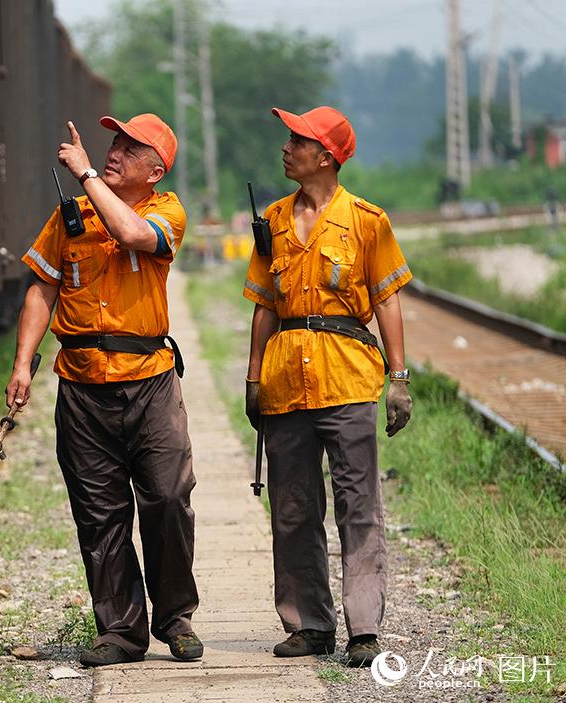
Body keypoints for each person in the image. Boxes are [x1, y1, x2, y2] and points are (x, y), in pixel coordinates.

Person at [5, 113, 201, 667]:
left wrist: (88, 172)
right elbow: (41, 290)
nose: (114, 152)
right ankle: (119, 631)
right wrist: (23, 365)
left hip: (150, 386)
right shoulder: (71, 218)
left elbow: (133, 235)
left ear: (155, 170)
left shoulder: (166, 211)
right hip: (83, 387)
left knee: (166, 499)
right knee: (99, 513)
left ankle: (175, 619)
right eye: (113, 143)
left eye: (128, 149)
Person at [242, 106, 413, 668]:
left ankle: (363, 627)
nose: (286, 148)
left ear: (326, 156)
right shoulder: (272, 218)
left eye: (298, 140)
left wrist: (399, 379)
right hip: (286, 379)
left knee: (357, 504)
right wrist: (252, 376)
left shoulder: (367, 221)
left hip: (346, 376)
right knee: (292, 508)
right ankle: (309, 625)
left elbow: (387, 299)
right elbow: (265, 306)